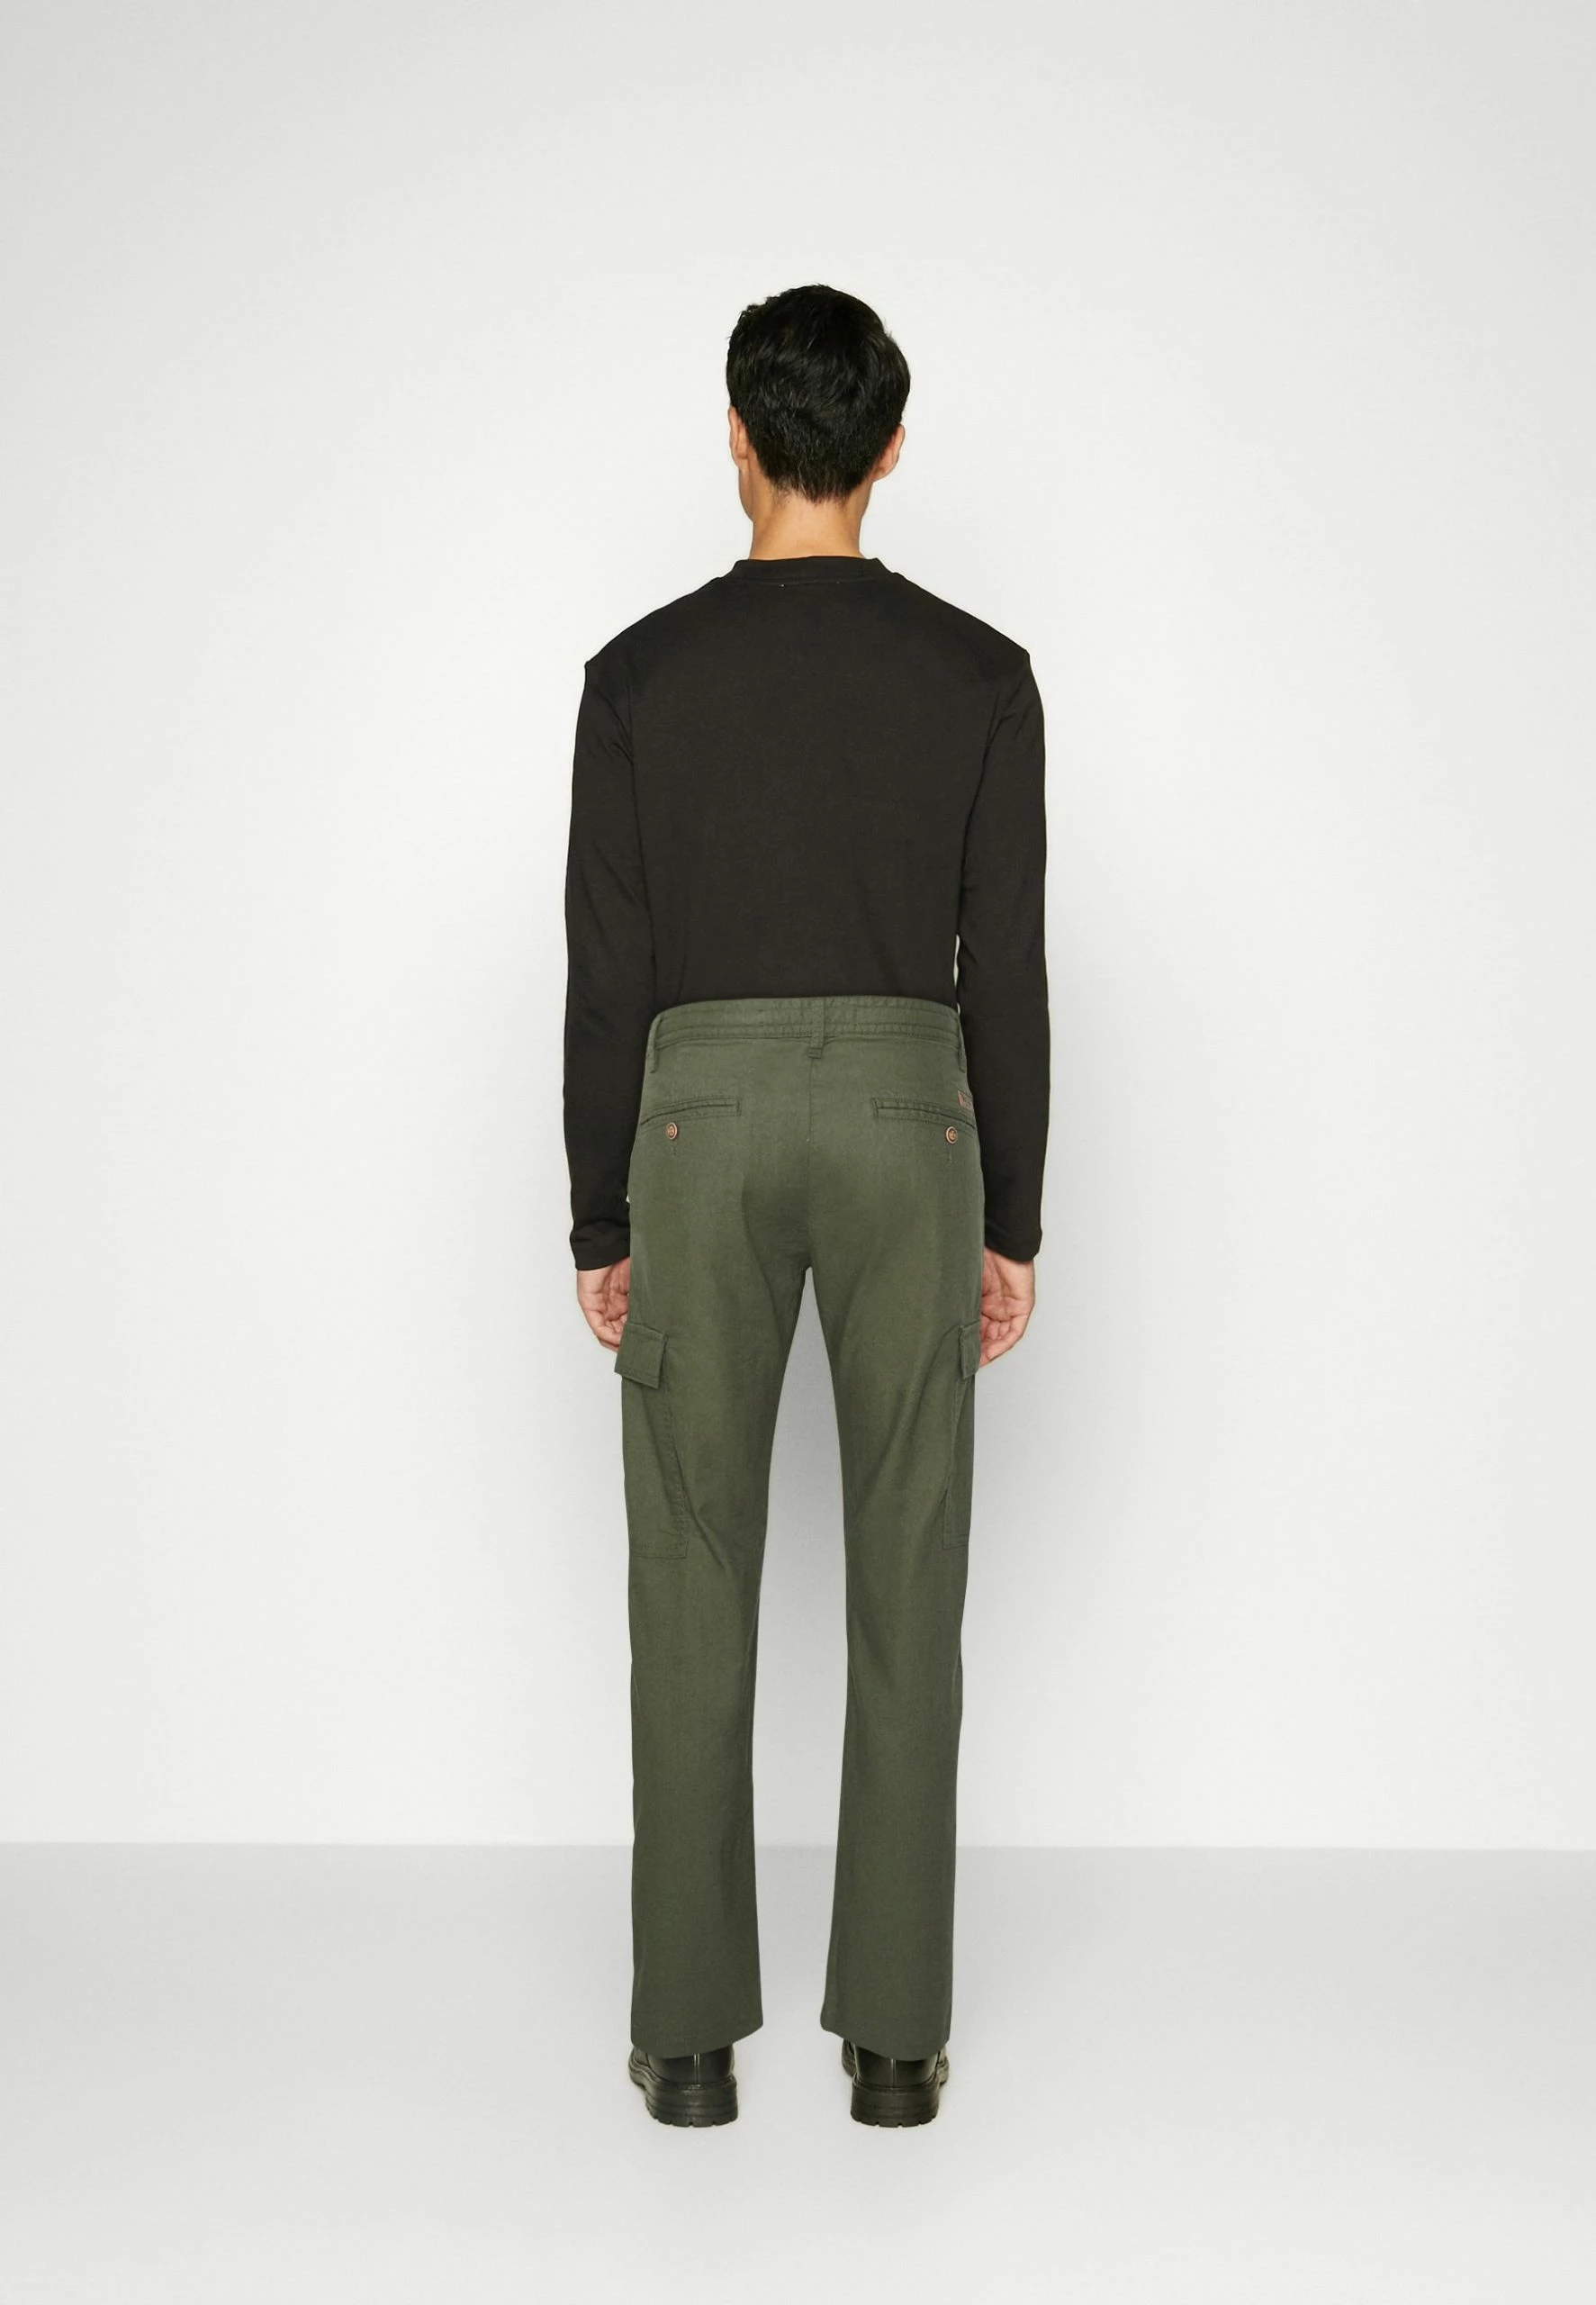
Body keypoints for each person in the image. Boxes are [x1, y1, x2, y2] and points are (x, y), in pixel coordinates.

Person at [562, 283, 1049, 2129]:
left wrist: (600, 1214)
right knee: (910, 1567)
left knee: (688, 1569)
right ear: (892, 448)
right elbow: (1006, 968)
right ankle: (896, 2044)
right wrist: (1012, 1211)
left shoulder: (639, 678)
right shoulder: (979, 675)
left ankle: (689, 2041)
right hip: (914, 1122)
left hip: (698, 1122)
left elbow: (609, 976)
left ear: (738, 437)